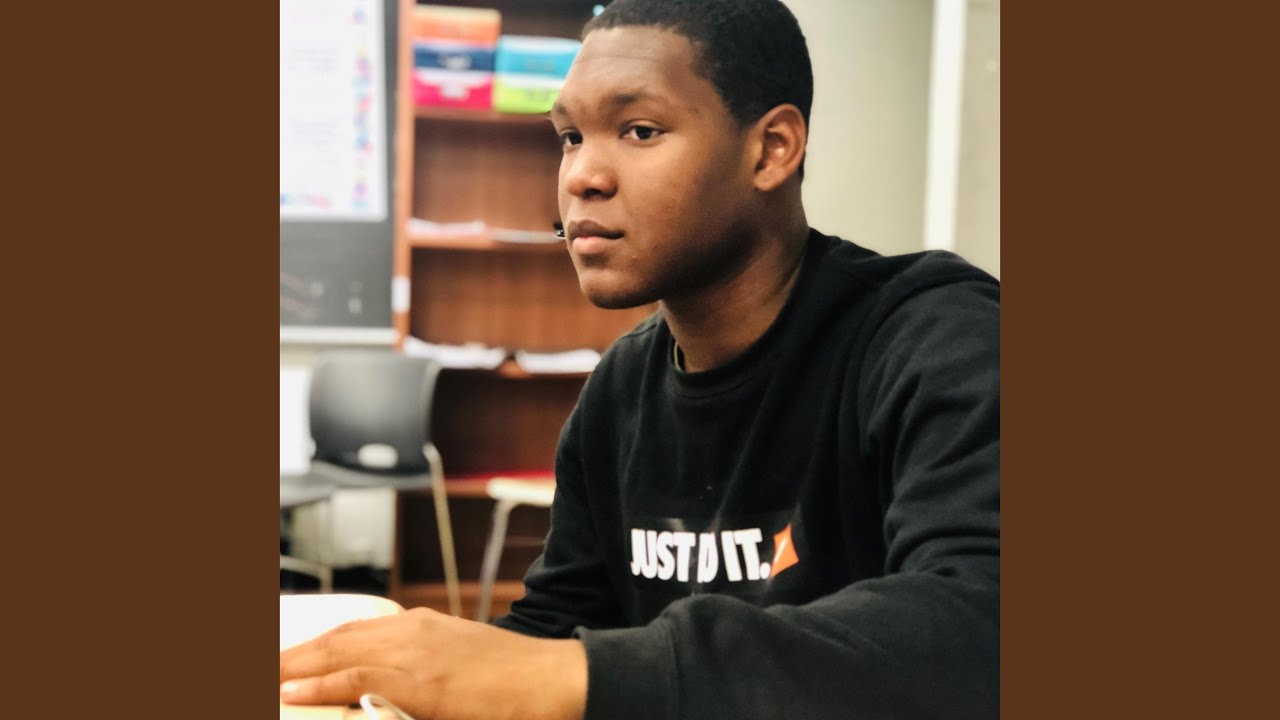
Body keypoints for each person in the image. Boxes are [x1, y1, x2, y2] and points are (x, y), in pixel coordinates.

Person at [280, 1, 999, 718]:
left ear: (772, 149)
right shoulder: (620, 390)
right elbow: (556, 630)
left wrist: (573, 675)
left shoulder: (935, 337)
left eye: (639, 130)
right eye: (569, 137)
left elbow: (982, 624)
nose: (581, 177)